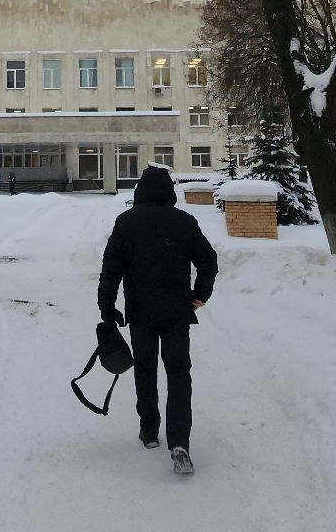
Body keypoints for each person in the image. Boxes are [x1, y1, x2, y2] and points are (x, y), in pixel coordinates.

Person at [98, 163, 217, 475]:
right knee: (179, 374)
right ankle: (180, 443)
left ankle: (149, 431)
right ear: (169, 191)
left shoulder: (126, 222)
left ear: (140, 191)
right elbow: (208, 261)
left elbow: (111, 268)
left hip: (140, 312)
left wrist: (107, 308)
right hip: (178, 313)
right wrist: (200, 295)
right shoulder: (184, 222)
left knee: (145, 370)